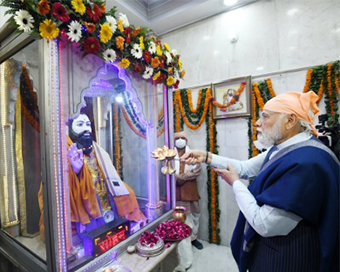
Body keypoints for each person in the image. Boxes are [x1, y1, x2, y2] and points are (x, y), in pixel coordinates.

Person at [181, 91, 339, 272]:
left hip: (290, 257)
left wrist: (236, 184)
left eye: (265, 116)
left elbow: (264, 223)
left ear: (290, 121)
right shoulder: (287, 147)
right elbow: (244, 168)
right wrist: (206, 156)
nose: (257, 122)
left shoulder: (306, 162)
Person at [38, 112, 146, 241]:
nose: (86, 128)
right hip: (83, 206)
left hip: (105, 200)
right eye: (80, 124)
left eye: (88, 124)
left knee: (129, 194)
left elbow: (111, 177)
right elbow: (56, 185)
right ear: (70, 129)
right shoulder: (62, 150)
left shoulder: (96, 149)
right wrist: (75, 171)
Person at [174, 131, 203, 250]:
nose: (180, 140)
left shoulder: (193, 154)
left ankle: (193, 238)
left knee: (194, 215)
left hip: (190, 191)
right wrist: (176, 177)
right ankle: (180, 241)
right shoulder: (170, 154)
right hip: (176, 192)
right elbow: (165, 169)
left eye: (182, 138)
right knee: (178, 217)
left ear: (186, 141)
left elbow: (197, 170)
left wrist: (183, 177)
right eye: (178, 138)